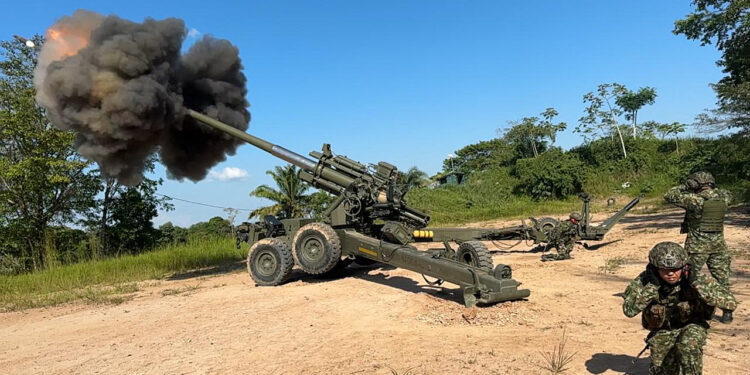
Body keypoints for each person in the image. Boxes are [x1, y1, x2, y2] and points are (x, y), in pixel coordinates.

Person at [622, 242, 737, 375]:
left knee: (687, 347)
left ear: (683, 266)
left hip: (692, 325)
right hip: (663, 329)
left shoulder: (694, 277)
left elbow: (730, 303)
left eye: (675, 269)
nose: (671, 274)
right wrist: (652, 287)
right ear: (655, 269)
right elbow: (629, 310)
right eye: (665, 270)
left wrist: (696, 284)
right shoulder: (646, 280)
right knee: (663, 369)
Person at [664, 171, 735, 323]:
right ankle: (727, 311)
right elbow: (727, 192)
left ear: (696, 184)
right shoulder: (724, 198)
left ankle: (688, 309)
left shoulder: (694, 200)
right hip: (719, 246)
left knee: (689, 277)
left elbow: (669, 195)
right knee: (723, 279)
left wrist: (686, 186)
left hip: (697, 247)